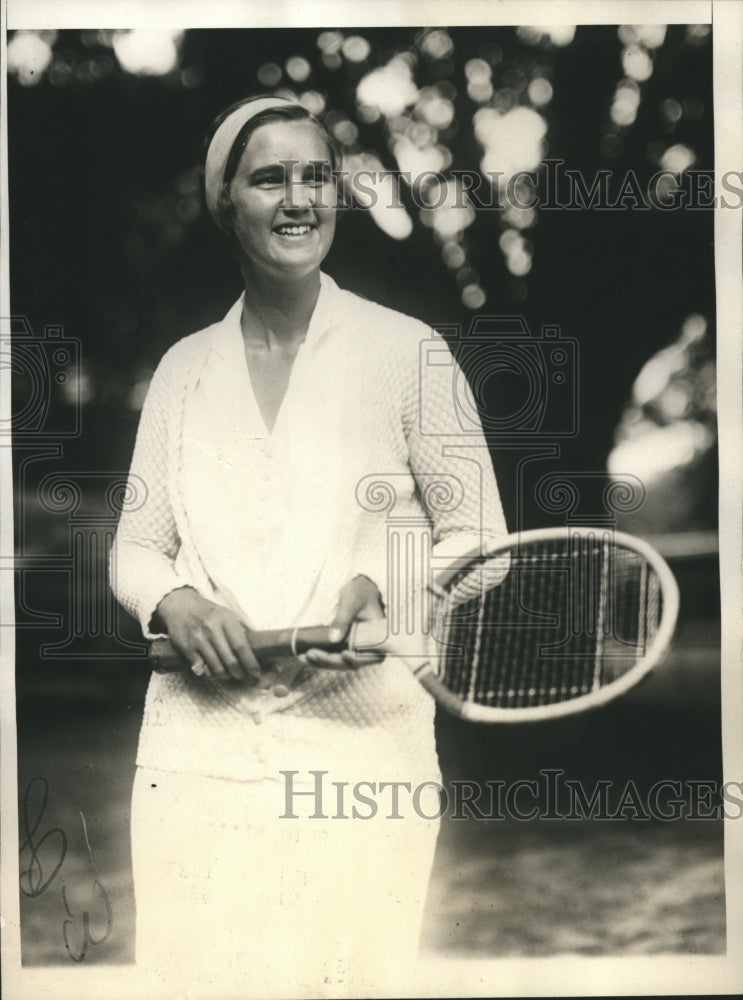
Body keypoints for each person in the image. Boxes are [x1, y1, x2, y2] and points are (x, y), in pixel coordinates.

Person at [110, 94, 507, 997]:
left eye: (316, 175)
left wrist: (384, 585)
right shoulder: (182, 370)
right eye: (269, 178)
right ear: (226, 203)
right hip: (196, 760)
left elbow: (481, 536)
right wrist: (174, 600)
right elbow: (135, 548)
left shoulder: (408, 353)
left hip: (362, 762)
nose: (298, 199)